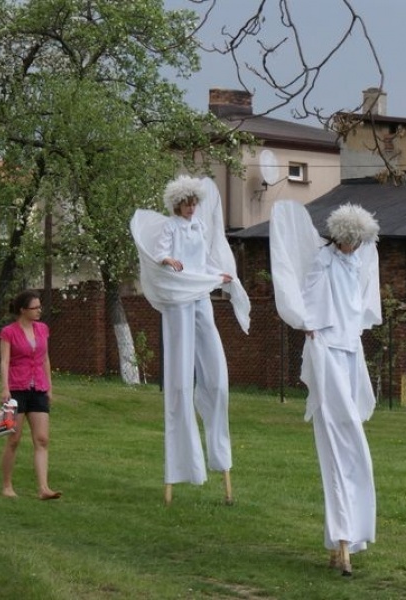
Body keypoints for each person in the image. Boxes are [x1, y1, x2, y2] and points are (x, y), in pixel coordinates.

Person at [270, 201, 381, 576]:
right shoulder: (324, 261)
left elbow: (363, 308)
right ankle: (343, 538)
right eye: (347, 240)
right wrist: (310, 326)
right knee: (339, 440)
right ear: (338, 237)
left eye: (357, 241)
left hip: (350, 352)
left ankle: (347, 538)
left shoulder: (362, 258)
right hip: (326, 351)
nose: (351, 246)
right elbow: (306, 299)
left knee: (353, 447)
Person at [129, 175, 250, 506]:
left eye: (195, 202)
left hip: (200, 293)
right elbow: (160, 252)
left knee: (217, 377)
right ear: (177, 203)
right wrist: (167, 260)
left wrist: (219, 274)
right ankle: (183, 465)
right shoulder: (171, 226)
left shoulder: (198, 226)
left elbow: (208, 258)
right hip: (179, 296)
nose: (193, 207)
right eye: (188, 203)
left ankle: (219, 455)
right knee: (180, 379)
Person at [0, 290, 61, 501]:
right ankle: (7, 485)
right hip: (16, 388)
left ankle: (43, 488)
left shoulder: (43, 329)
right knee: (13, 439)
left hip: (38, 389)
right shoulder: (9, 332)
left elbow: (45, 359)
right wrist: (4, 388)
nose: (39, 311)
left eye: (39, 307)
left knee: (42, 439)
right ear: (22, 310)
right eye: (34, 308)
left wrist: (49, 387)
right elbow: (5, 361)